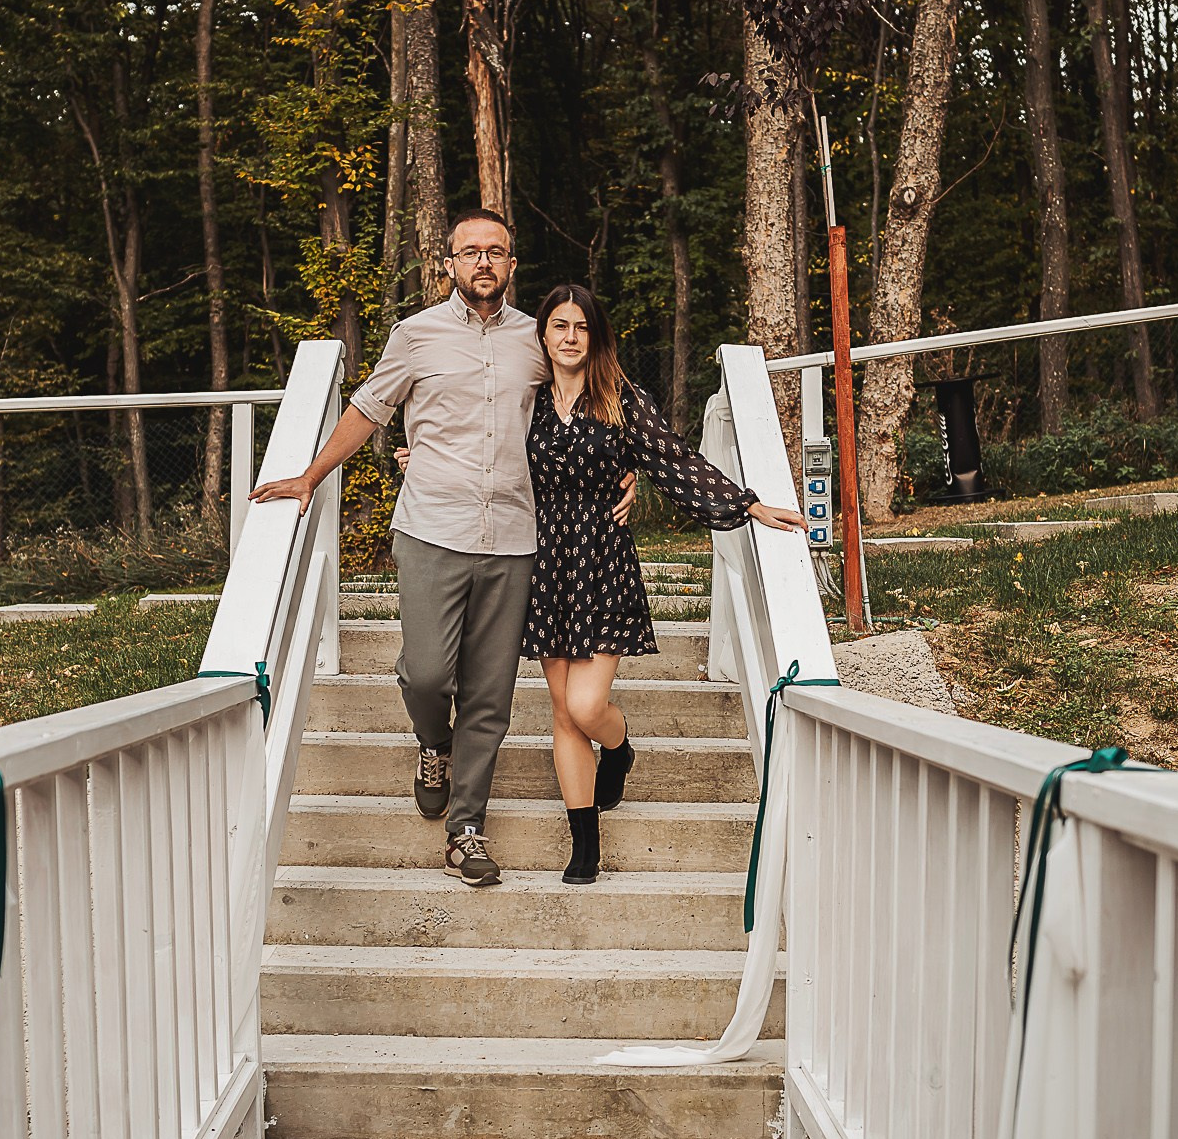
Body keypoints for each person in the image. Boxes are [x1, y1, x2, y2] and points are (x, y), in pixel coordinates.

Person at [249, 210, 634, 888]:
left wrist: (625, 471)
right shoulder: (415, 335)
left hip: (518, 539)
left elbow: (584, 398)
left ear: (512, 265)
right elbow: (369, 409)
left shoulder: (537, 341)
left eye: (497, 251)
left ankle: (465, 830)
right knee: (427, 674)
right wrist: (311, 476)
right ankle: (434, 742)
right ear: (448, 264)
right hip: (432, 527)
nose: (485, 261)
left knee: (490, 695)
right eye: (471, 252)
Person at [521, 284, 803, 885]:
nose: (569, 338)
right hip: (544, 565)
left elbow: (674, 458)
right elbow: (483, 452)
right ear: (543, 333)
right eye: (559, 327)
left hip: (602, 560)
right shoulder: (526, 402)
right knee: (564, 714)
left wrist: (749, 506)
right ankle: (584, 846)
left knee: (587, 705)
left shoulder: (619, 398)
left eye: (581, 328)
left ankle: (618, 749)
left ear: (594, 337)